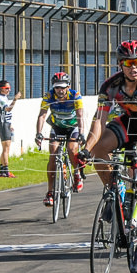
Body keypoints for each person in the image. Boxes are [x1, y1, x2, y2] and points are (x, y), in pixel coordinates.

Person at [79, 40, 137, 273]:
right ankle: (115, 191)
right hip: (129, 122)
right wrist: (85, 149)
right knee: (99, 149)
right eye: (129, 63)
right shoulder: (110, 86)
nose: (134, 67)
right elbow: (98, 122)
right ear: (120, 65)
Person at [35, 71, 86, 205]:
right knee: (53, 153)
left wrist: (82, 133)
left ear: (68, 86)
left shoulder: (75, 95)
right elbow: (42, 115)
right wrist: (38, 133)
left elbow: (80, 115)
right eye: (57, 87)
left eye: (63, 87)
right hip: (57, 126)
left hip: (73, 127)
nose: (60, 90)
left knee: (71, 149)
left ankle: (77, 174)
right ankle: (50, 192)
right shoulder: (49, 96)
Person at [0, 80, 22, 177]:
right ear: (1, 89)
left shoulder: (4, 97)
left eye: (9, 88)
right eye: (7, 88)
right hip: (2, 125)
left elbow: (7, 114)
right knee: (6, 148)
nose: (9, 90)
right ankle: (6, 170)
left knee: (5, 148)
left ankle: (2, 170)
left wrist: (10, 124)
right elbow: (8, 109)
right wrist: (15, 99)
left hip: (6, 124)